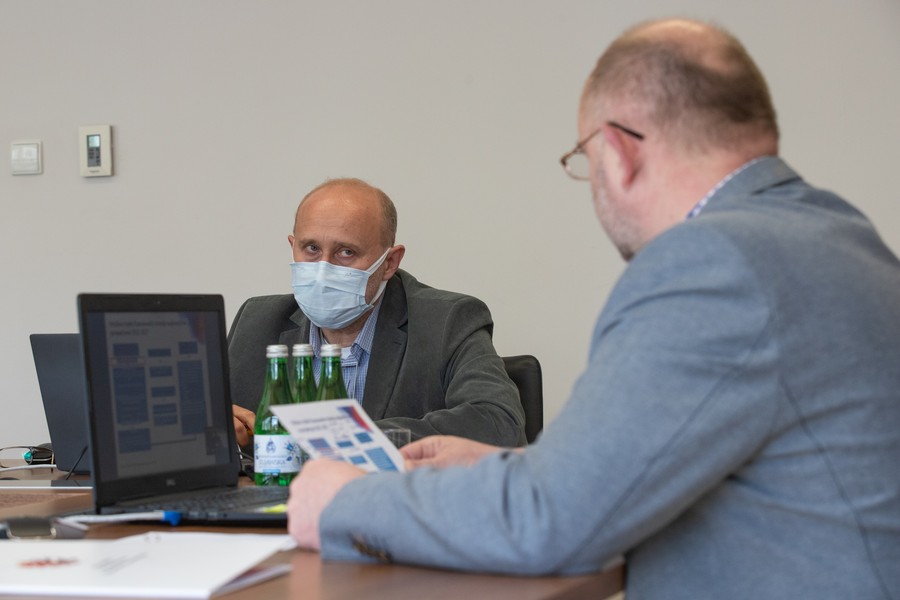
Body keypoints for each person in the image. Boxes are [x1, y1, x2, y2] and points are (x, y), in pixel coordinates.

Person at [284, 18, 900, 599]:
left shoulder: (712, 262)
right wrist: (524, 466)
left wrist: (346, 503)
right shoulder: (839, 234)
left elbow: (551, 522)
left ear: (619, 152)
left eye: (585, 162)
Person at [228, 177, 525, 449]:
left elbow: (499, 423)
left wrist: (345, 438)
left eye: (346, 252)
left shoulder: (448, 322)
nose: (323, 268)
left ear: (389, 263)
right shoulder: (257, 322)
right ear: (293, 246)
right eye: (311, 248)